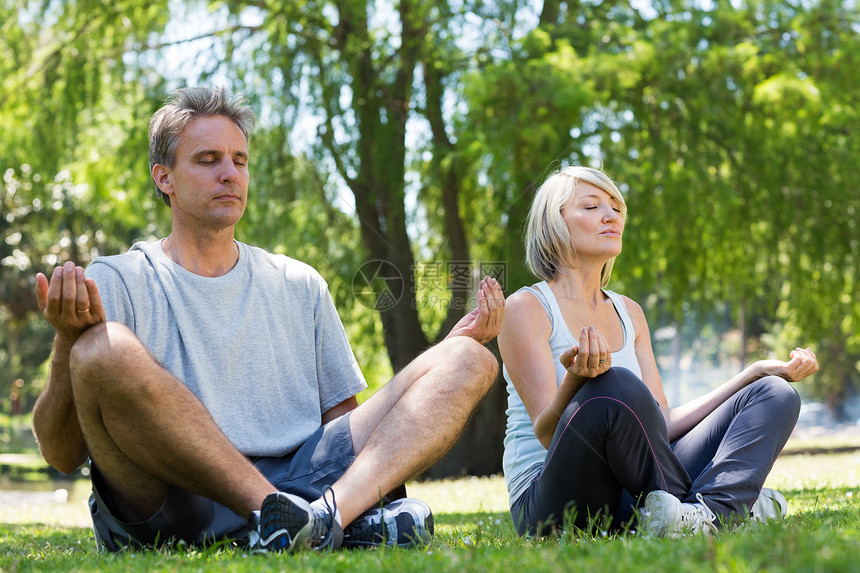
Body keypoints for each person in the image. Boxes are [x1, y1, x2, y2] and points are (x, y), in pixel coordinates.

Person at [32, 86, 504, 553]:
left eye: (239, 160)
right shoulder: (117, 278)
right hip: (172, 498)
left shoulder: (299, 282)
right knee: (100, 347)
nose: (229, 174)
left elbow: (343, 423)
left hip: (306, 483)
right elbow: (63, 455)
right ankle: (286, 517)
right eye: (208, 159)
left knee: (469, 358)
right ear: (164, 177)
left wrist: (434, 365)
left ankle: (329, 517)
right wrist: (67, 344)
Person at [498, 165, 818, 538]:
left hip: (635, 495)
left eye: (616, 207)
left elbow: (660, 424)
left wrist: (754, 373)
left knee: (774, 393)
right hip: (552, 503)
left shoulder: (629, 312)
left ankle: (706, 517)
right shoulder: (525, 308)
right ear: (554, 223)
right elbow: (547, 435)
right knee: (614, 386)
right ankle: (731, 506)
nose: (611, 216)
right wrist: (576, 381)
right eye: (591, 206)